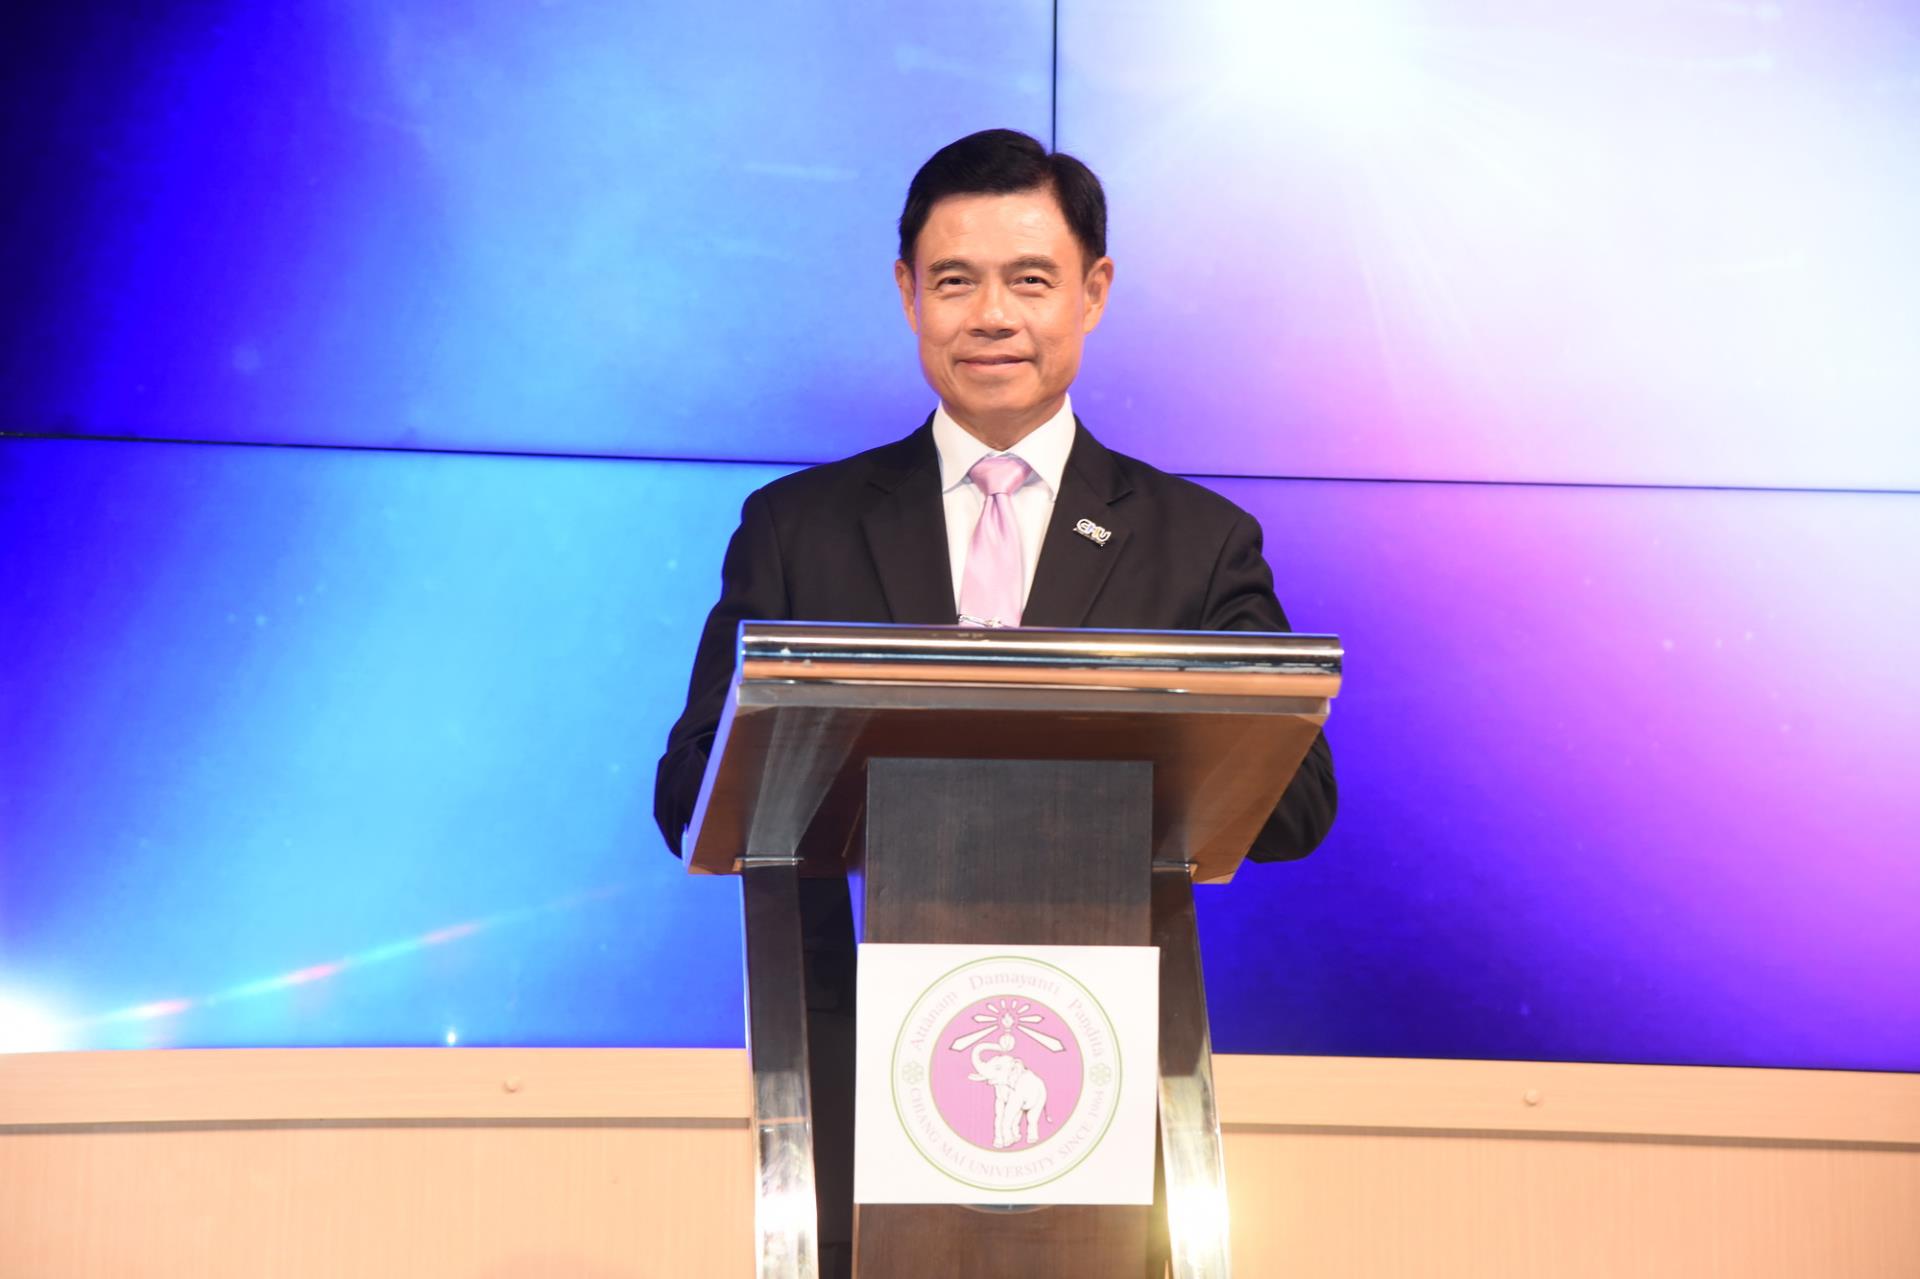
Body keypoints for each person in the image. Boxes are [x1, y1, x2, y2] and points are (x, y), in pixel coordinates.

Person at [654, 128, 1336, 1277]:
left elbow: (1297, 805)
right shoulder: (799, 529)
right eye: (956, 280)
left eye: (1030, 280)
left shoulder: (1198, 542)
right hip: (860, 1093)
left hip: (1107, 1088)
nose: (992, 317)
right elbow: (690, 794)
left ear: (1093, 292)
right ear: (906, 292)